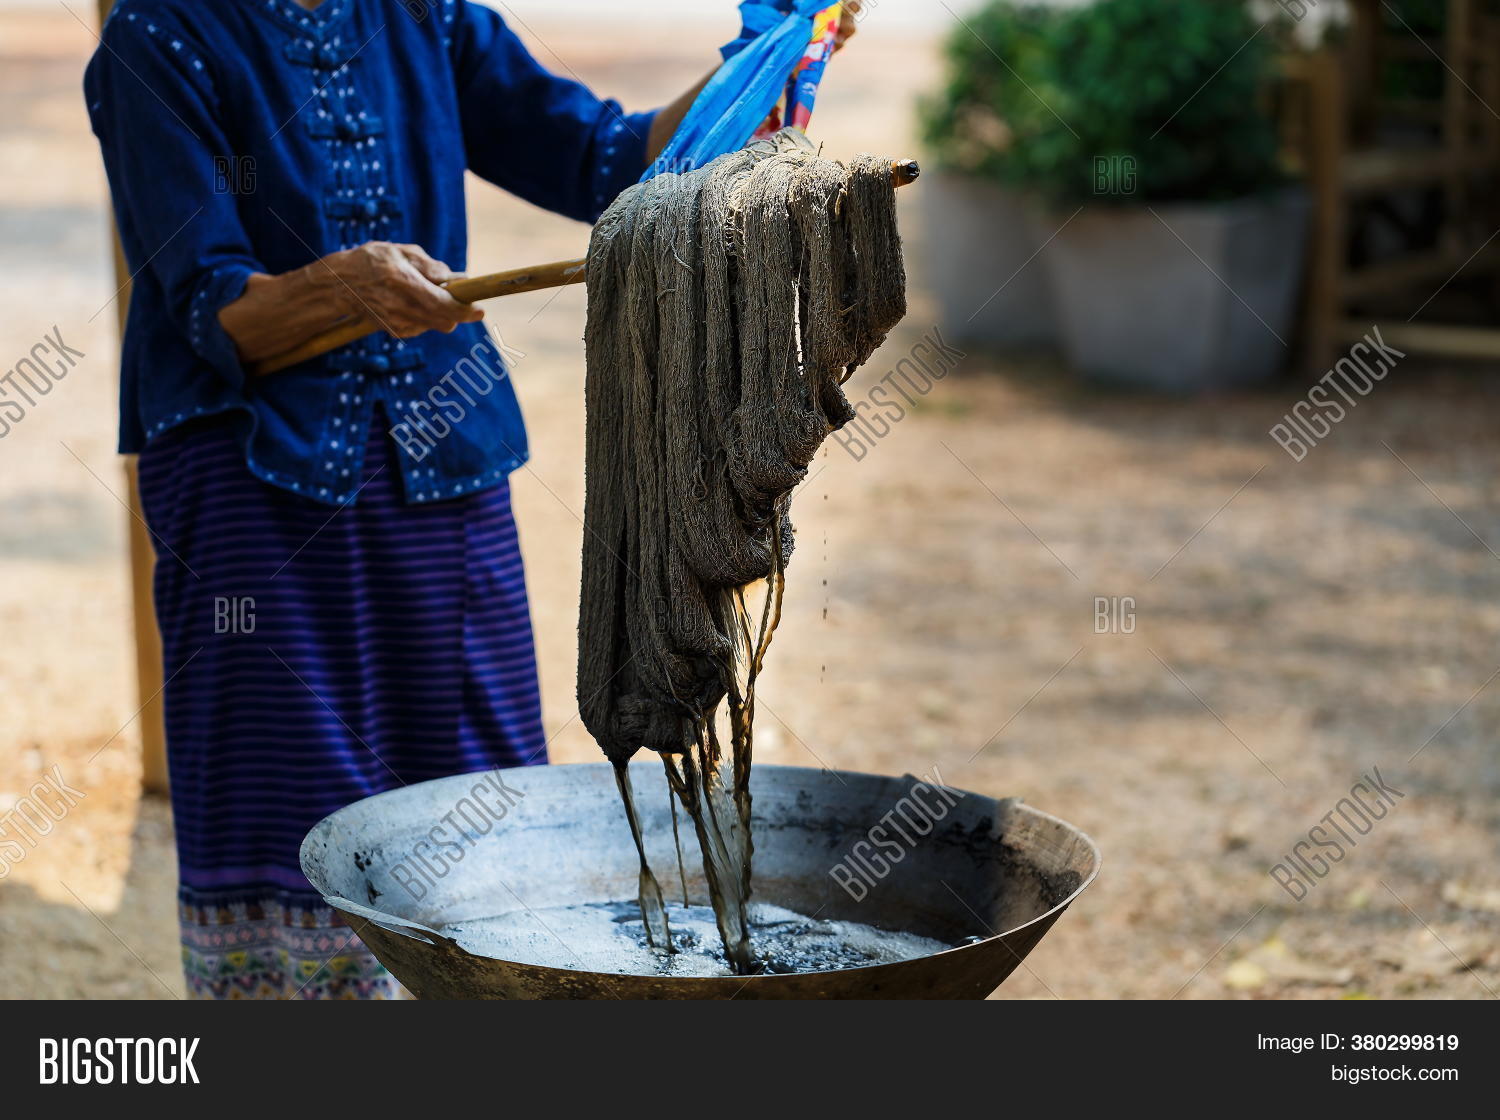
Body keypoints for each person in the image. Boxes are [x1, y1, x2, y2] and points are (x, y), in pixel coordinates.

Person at [85, 0, 858, 999]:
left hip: (443, 463)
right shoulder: (160, 39)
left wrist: (762, 67)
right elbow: (212, 306)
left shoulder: (428, 15)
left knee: (488, 804)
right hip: (252, 494)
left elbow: (608, 159)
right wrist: (343, 283)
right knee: (292, 814)